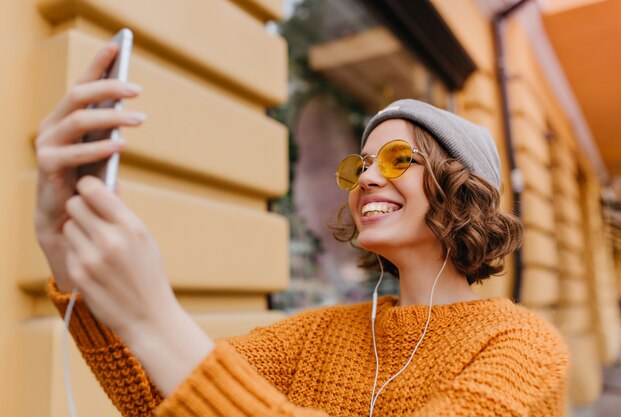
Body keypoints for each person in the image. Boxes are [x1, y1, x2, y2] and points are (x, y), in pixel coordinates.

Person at [35, 44, 569, 417]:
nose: (366, 178)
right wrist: (62, 249)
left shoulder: (524, 346)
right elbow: (163, 398)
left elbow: (185, 366)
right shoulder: (316, 336)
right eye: (359, 166)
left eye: (397, 158)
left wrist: (154, 317)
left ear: (459, 188)